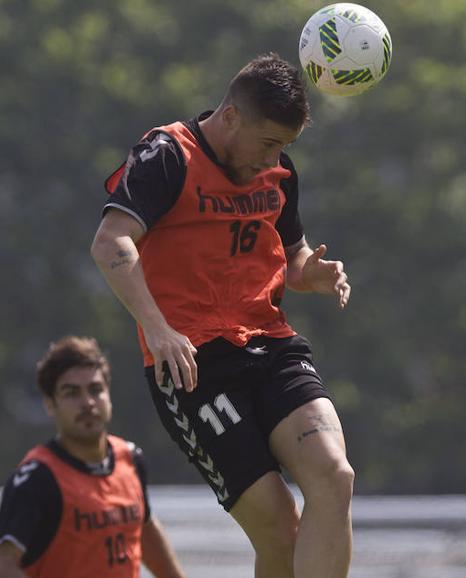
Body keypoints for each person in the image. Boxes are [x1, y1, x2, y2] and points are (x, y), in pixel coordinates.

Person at [91, 52, 354, 578]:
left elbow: (292, 254)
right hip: (192, 364)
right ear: (231, 116)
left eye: (284, 147)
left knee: (335, 475)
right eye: (267, 144)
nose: (274, 159)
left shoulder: (276, 168)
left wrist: (311, 274)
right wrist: (157, 328)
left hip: (271, 342)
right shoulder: (167, 155)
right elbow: (110, 241)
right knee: (281, 533)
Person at [0, 336, 186, 578]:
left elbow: (144, 529)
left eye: (96, 390)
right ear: (50, 405)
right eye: (72, 393)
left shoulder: (130, 459)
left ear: (109, 396)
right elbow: (5, 563)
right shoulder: (37, 479)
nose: (87, 403)